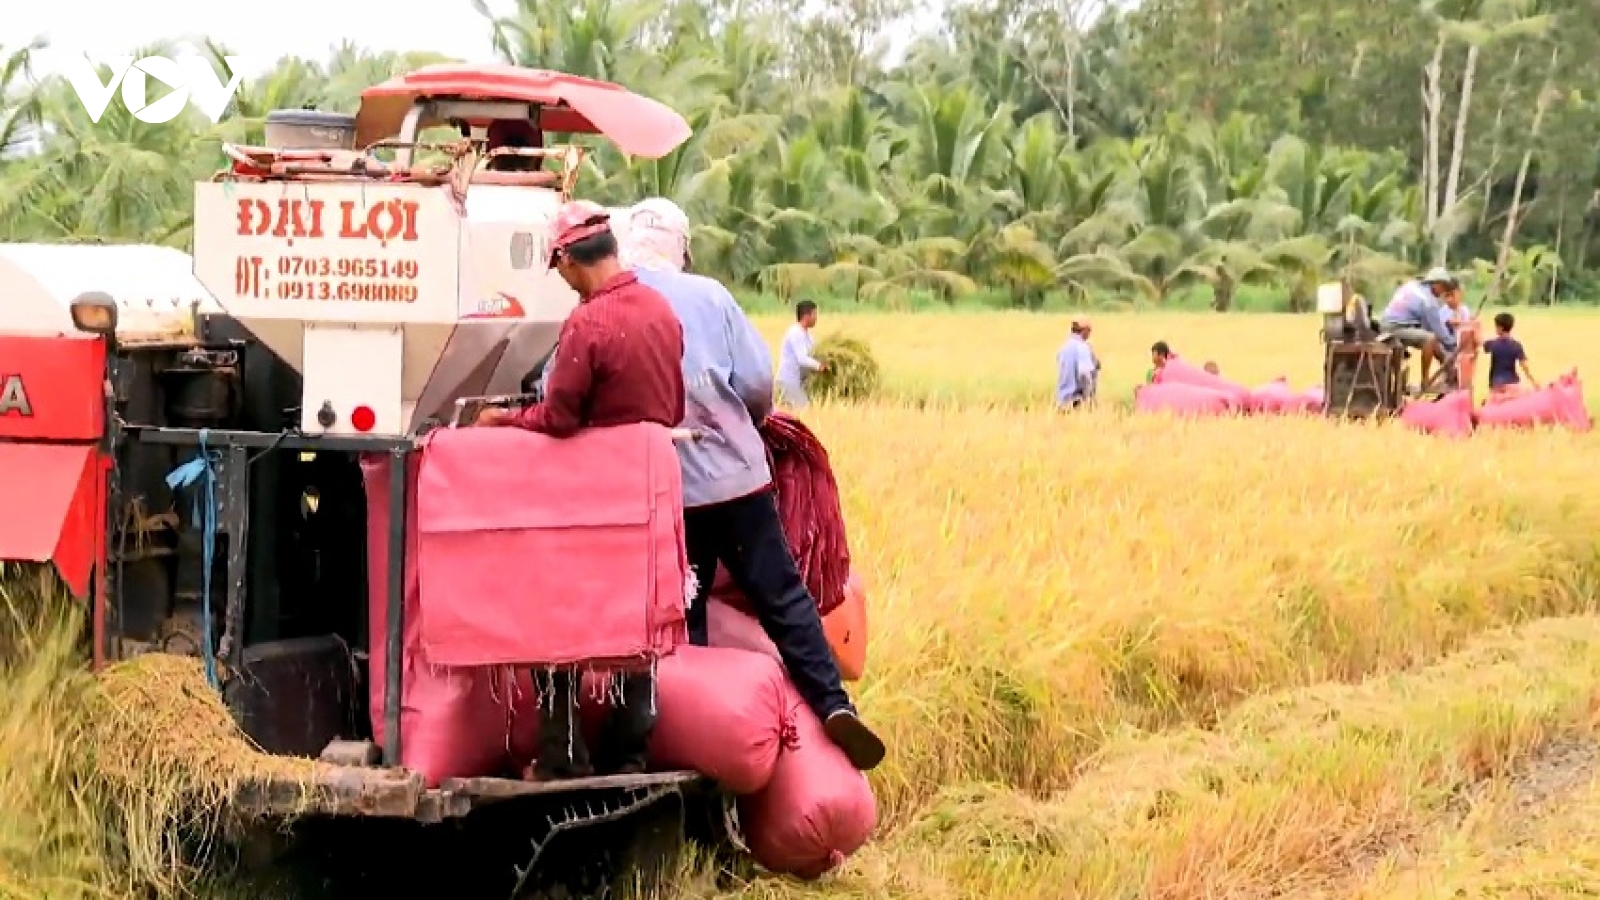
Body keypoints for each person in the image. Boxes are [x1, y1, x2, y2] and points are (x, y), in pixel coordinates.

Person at [621, 198, 887, 772]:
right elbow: (759, 383)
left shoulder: (611, 304)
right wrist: (745, 419)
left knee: (680, 608)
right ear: (680, 249)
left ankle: (690, 731)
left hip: (666, 492)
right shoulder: (712, 296)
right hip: (739, 477)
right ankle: (834, 703)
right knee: (783, 596)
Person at [475, 199, 686, 780]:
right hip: (646, 496)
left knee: (556, 616)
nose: (563, 281)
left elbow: (560, 418)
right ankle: (632, 752)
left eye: (559, 269)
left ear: (569, 259)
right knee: (638, 623)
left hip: (586, 500)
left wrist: (502, 422)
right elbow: (672, 406)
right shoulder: (661, 311)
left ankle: (563, 756)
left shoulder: (588, 323)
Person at [1379, 267, 1458, 390]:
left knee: (1432, 340)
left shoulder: (1411, 286)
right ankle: (1425, 382)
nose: (1443, 292)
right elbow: (1437, 330)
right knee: (1430, 339)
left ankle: (1449, 371)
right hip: (1394, 328)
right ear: (1435, 284)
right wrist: (1453, 344)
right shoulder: (1428, 301)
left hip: (1388, 323)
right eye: (1443, 287)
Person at [777, 300, 824, 409]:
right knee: (804, 409)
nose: (816, 317)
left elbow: (814, 354)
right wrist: (819, 366)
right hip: (789, 381)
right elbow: (802, 358)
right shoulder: (795, 333)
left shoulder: (808, 335)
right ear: (806, 316)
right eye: (814, 314)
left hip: (799, 382)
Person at [1483, 312, 1538, 403]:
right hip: (1513, 384)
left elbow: (1479, 341)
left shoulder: (1492, 344)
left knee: (1491, 402)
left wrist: (1475, 325)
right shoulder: (1516, 345)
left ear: (1500, 328)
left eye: (1496, 326)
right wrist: (1534, 382)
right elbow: (1525, 367)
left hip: (1496, 385)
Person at [1439, 288, 1480, 399]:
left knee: (1465, 379)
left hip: (1464, 350)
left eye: (1453, 296)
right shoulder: (1443, 311)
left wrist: (1471, 323)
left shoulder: (1464, 310)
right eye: (1448, 296)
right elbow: (1448, 325)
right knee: (1450, 375)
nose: (1450, 299)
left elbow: (1468, 329)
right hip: (1449, 347)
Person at [1055, 318, 1096, 408]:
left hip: (1062, 401)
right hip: (1076, 401)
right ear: (1084, 330)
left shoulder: (1064, 347)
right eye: (1089, 331)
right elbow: (1084, 374)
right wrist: (1087, 398)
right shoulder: (1082, 347)